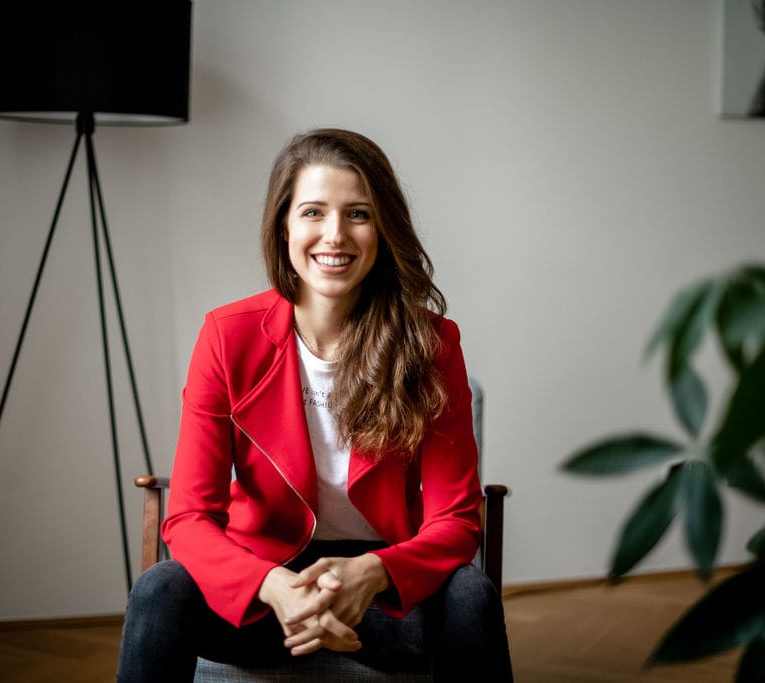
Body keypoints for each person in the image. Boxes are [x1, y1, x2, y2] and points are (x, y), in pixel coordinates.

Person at [117, 128, 513, 682]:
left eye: (358, 214)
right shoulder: (227, 337)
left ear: (383, 228)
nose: (335, 234)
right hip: (263, 588)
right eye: (313, 212)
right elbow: (189, 517)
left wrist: (371, 573)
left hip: (383, 590)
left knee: (471, 595)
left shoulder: (432, 344)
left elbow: (456, 520)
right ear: (284, 226)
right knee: (159, 588)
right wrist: (273, 585)